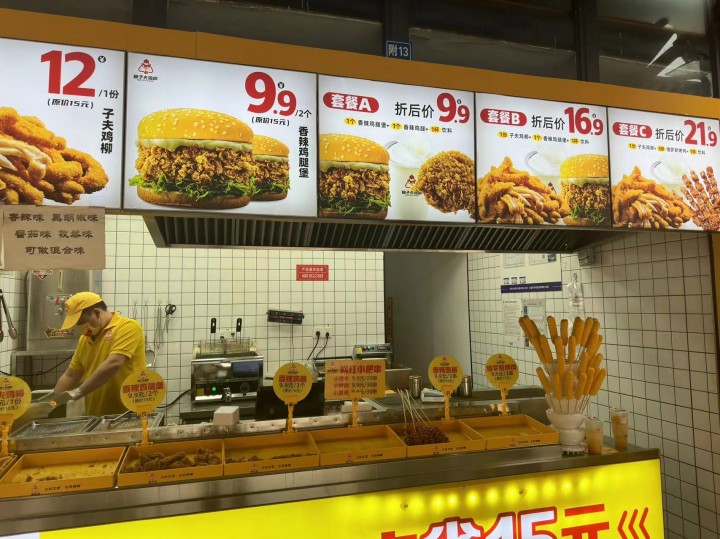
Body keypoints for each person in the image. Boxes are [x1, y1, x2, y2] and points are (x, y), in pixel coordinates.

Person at [53, 292, 146, 416]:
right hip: (96, 415)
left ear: (97, 313)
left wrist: (78, 392)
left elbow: (114, 363)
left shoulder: (127, 327)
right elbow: (71, 375)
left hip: (128, 413)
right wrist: (52, 403)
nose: (80, 327)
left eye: (81, 322)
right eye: (77, 325)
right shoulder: (84, 340)